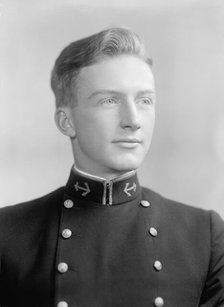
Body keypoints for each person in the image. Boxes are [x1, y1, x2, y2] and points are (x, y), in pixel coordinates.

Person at [0, 27, 224, 307]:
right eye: (109, 101)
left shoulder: (203, 236)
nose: (133, 120)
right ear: (66, 121)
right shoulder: (7, 234)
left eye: (144, 100)